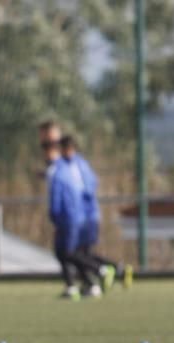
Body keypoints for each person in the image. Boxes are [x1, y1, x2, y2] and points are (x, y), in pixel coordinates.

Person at [59, 135, 131, 290]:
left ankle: (101, 274)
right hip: (90, 215)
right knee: (84, 253)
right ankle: (117, 271)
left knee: (73, 253)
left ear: (67, 149)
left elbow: (77, 190)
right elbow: (92, 183)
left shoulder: (71, 166)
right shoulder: (81, 164)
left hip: (82, 217)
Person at [38, 123, 102, 299]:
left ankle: (96, 275)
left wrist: (55, 214)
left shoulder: (61, 168)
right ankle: (87, 283)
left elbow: (61, 195)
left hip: (73, 217)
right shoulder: (64, 167)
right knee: (74, 252)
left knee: (66, 252)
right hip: (79, 216)